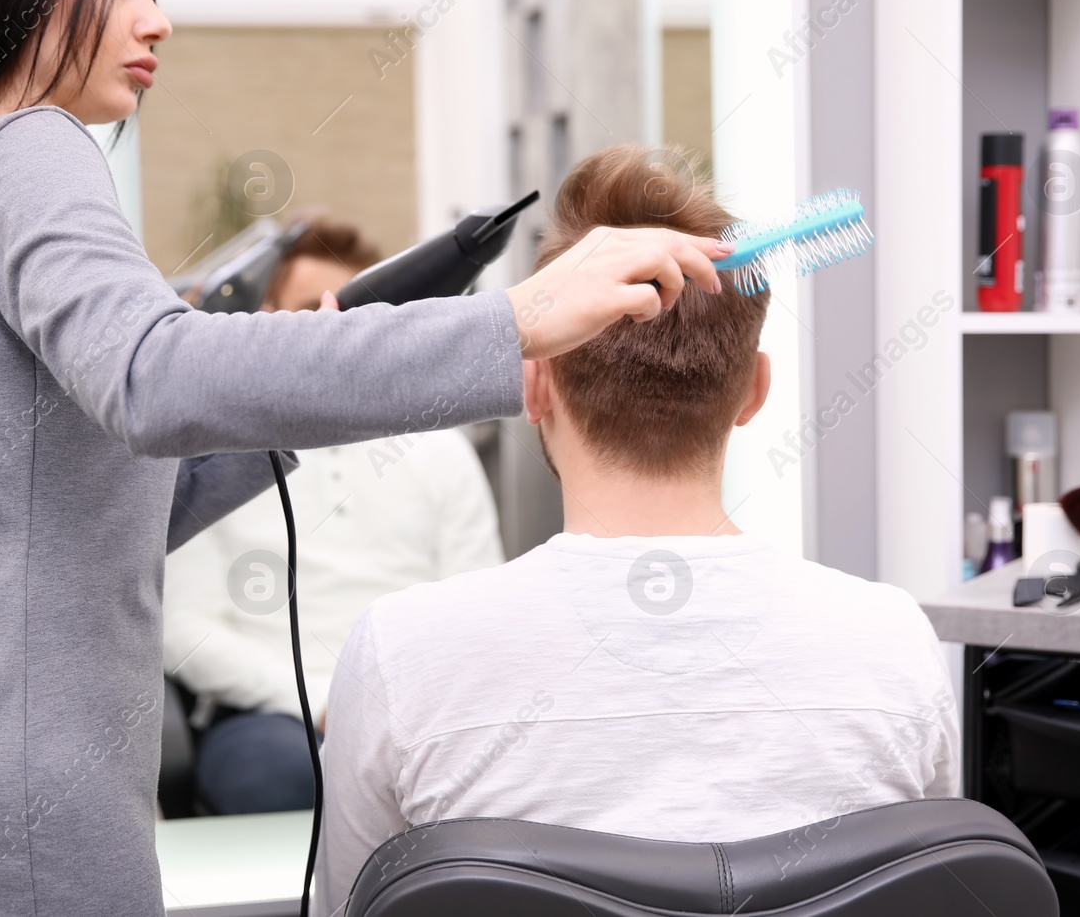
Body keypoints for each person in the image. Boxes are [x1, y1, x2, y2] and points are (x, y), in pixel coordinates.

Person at [0, 0, 731, 916]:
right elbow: (155, 378)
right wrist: (518, 321)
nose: (155, 17)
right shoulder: (28, 148)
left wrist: (310, 388)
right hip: (21, 785)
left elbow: (115, 503)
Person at [314, 145, 959, 917]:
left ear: (532, 382)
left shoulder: (402, 652)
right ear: (755, 391)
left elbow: (351, 906)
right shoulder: (893, 642)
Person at [162, 213, 506, 815]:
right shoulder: (216, 455)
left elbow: (478, 614)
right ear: (261, 318)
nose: (333, 333)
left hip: (416, 711)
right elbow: (185, 630)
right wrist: (320, 703)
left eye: (354, 315)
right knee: (279, 776)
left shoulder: (440, 451)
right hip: (275, 716)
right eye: (307, 311)